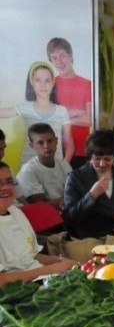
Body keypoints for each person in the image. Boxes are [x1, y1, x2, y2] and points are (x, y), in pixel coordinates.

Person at [0, 161, 78, 286]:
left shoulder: (16, 212)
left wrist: (61, 261)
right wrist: (50, 269)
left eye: (9, 182)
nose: (5, 188)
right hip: (17, 290)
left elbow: (31, 256)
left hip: (43, 279)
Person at [62, 129, 114, 238]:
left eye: (107, 159)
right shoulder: (75, 178)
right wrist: (91, 195)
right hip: (92, 238)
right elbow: (69, 218)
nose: (102, 164)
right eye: (97, 159)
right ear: (90, 156)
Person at [0, 61, 72, 165]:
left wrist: (63, 166)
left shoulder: (62, 111)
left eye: (47, 80)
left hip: (55, 167)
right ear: (32, 83)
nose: (43, 85)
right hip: (28, 166)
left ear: (53, 83)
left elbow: (70, 145)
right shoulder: (25, 107)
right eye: (38, 80)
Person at [47, 37, 92, 168]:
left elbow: (90, 119)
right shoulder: (50, 85)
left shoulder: (87, 85)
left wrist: (65, 118)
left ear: (70, 56)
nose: (59, 61)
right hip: (56, 152)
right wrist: (77, 114)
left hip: (82, 152)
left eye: (62, 55)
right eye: (54, 58)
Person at [16, 122, 72, 209]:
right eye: (40, 143)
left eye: (50, 141)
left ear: (56, 141)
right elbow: (42, 207)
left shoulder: (65, 166)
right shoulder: (28, 171)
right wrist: (72, 197)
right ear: (32, 145)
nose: (46, 146)